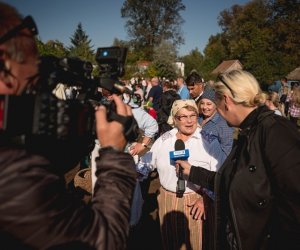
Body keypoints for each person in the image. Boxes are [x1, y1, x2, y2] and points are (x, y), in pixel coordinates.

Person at [0, 3, 137, 249]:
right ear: (4, 67)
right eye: (34, 83)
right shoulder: (11, 175)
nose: (41, 99)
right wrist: (114, 155)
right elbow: (103, 241)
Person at [176, 69, 300, 250]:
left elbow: (294, 203)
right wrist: (194, 172)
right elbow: (236, 181)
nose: (216, 110)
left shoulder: (276, 131)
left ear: (226, 100)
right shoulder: (248, 131)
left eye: (216, 102)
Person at [136, 99, 222, 250]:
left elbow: (220, 174)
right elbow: (146, 164)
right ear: (175, 119)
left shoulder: (209, 141)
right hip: (167, 201)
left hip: (198, 202)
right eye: (183, 117)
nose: (189, 121)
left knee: (197, 245)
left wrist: (205, 199)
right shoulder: (164, 140)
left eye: (192, 115)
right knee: (171, 244)